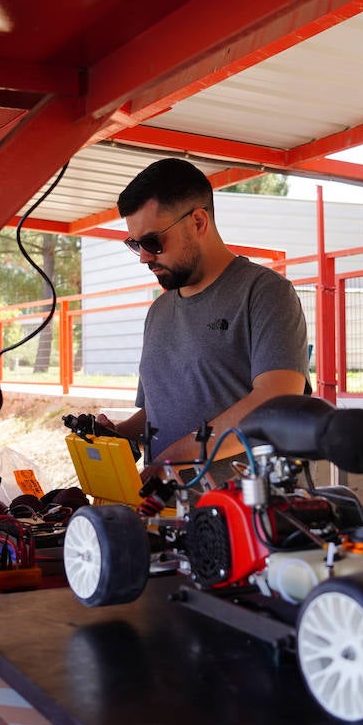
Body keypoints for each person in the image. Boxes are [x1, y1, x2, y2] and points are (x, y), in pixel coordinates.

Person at [99, 158, 309, 493]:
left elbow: (276, 400)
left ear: (198, 221)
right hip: (165, 515)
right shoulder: (158, 311)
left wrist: (176, 458)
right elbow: (157, 411)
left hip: (244, 519)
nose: (143, 257)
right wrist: (118, 436)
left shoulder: (264, 292)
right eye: (134, 244)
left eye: (153, 242)